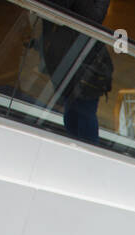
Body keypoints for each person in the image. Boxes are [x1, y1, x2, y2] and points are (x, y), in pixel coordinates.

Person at [37, 0, 114, 146]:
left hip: (85, 62)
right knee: (72, 116)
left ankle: (89, 158)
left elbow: (93, 16)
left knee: (84, 115)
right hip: (65, 58)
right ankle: (77, 152)